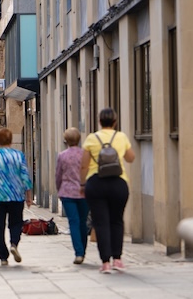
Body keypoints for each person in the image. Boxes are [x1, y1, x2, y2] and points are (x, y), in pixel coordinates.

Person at [80, 107, 135, 274]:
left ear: (99, 122)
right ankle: (117, 258)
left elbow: (84, 165)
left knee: (100, 222)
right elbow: (130, 158)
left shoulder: (91, 138)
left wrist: (82, 185)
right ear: (115, 122)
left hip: (96, 183)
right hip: (118, 183)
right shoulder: (121, 137)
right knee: (117, 220)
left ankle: (105, 262)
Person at [0, 127, 33, 266]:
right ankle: (14, 243)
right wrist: (28, 196)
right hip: (16, 196)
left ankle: (3, 256)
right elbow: (25, 176)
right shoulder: (18, 155)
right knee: (16, 223)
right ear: (10, 140)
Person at [56, 127, 90, 264]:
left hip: (67, 192)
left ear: (66, 140)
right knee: (83, 222)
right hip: (84, 192)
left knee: (73, 222)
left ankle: (79, 253)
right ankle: (83, 250)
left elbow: (58, 175)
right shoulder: (85, 155)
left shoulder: (62, 156)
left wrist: (59, 189)